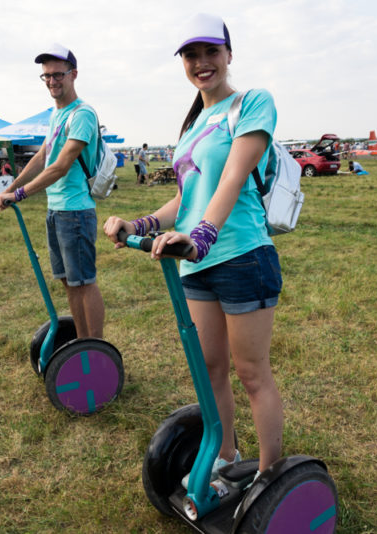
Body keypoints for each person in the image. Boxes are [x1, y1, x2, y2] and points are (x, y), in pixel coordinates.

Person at [104, 13, 284, 484]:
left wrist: (201, 236)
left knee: (252, 373)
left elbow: (233, 177)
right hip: (195, 262)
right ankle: (225, 457)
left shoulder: (252, 103)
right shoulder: (192, 125)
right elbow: (186, 199)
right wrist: (139, 224)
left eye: (211, 52)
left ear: (229, 54)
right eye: (191, 55)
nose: (202, 62)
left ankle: (270, 479)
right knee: (210, 369)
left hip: (242, 256)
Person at [0, 43, 105, 339]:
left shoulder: (82, 114)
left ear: (73, 74)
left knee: (84, 282)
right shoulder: (57, 114)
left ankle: (96, 349)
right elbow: (42, 156)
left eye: (58, 74)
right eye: (47, 76)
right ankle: (82, 341)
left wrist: (19, 195)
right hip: (56, 210)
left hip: (76, 211)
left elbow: (60, 166)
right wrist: (10, 188)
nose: (52, 81)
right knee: (68, 282)